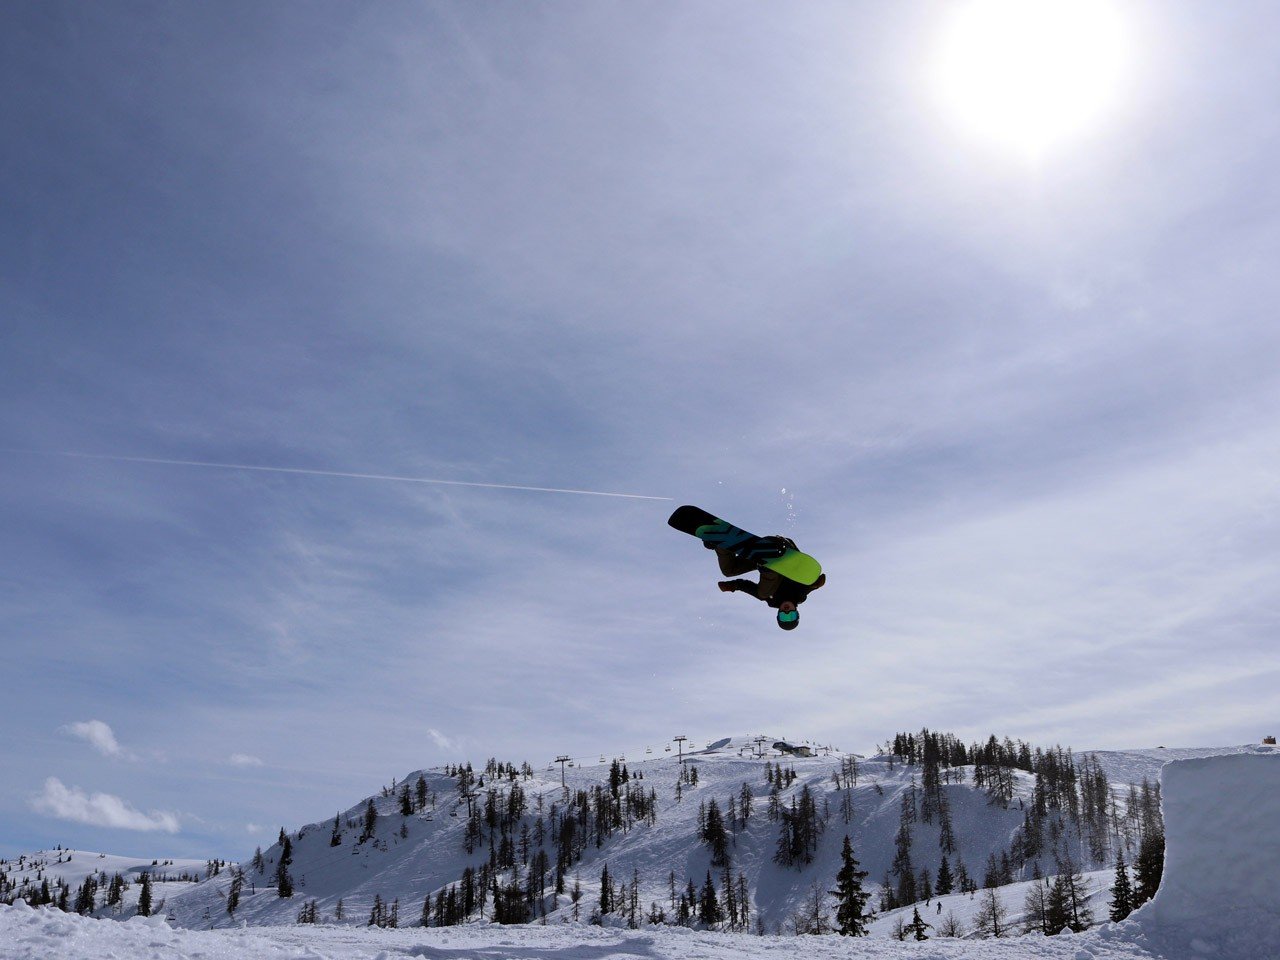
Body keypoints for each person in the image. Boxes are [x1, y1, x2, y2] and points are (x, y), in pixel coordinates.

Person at [714, 540, 825, 629]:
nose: (787, 612)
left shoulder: (771, 600)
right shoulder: (799, 595)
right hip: (783, 550)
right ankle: (769, 564)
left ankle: (720, 543)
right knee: (764, 593)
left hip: (762, 556)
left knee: (729, 570)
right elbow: (809, 586)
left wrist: (732, 586)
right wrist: (815, 585)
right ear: (796, 611)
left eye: (783, 616)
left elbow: (745, 586)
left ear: (778, 613)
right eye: (791, 615)